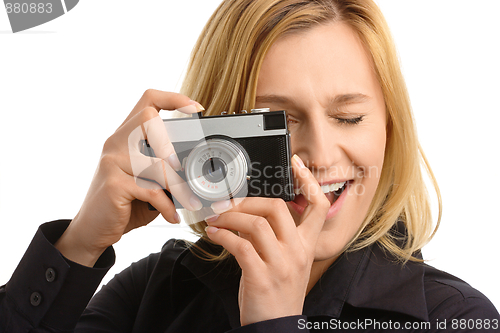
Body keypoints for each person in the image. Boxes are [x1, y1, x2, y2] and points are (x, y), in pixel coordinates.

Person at [1, 0, 499, 332]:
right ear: (212, 129)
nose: (321, 156)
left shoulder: (456, 317)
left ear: (390, 129)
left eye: (349, 117)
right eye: (276, 121)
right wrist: (78, 246)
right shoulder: (159, 287)